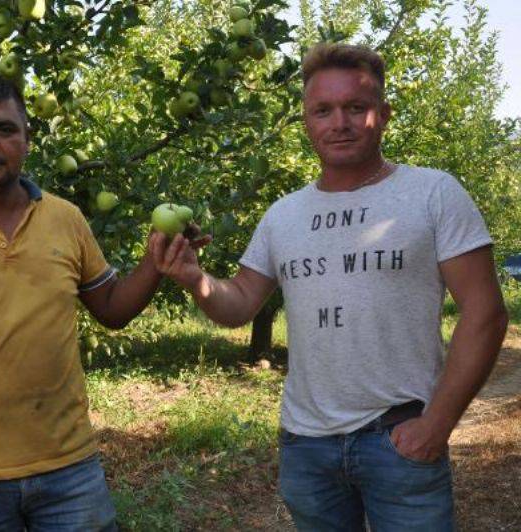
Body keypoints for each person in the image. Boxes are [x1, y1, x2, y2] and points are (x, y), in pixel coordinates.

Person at [152, 42, 508, 531]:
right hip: (305, 446)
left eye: (355, 108)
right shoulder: (283, 215)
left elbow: (485, 314)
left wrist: (437, 424)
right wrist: (195, 279)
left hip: (398, 436)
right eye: (323, 110)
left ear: (383, 115)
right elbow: (239, 303)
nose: (338, 122)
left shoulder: (433, 194)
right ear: (307, 121)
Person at [0, 76, 202, 532]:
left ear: (26, 139)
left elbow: (110, 307)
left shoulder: (64, 219)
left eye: (5, 129)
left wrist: (156, 262)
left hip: (69, 469)